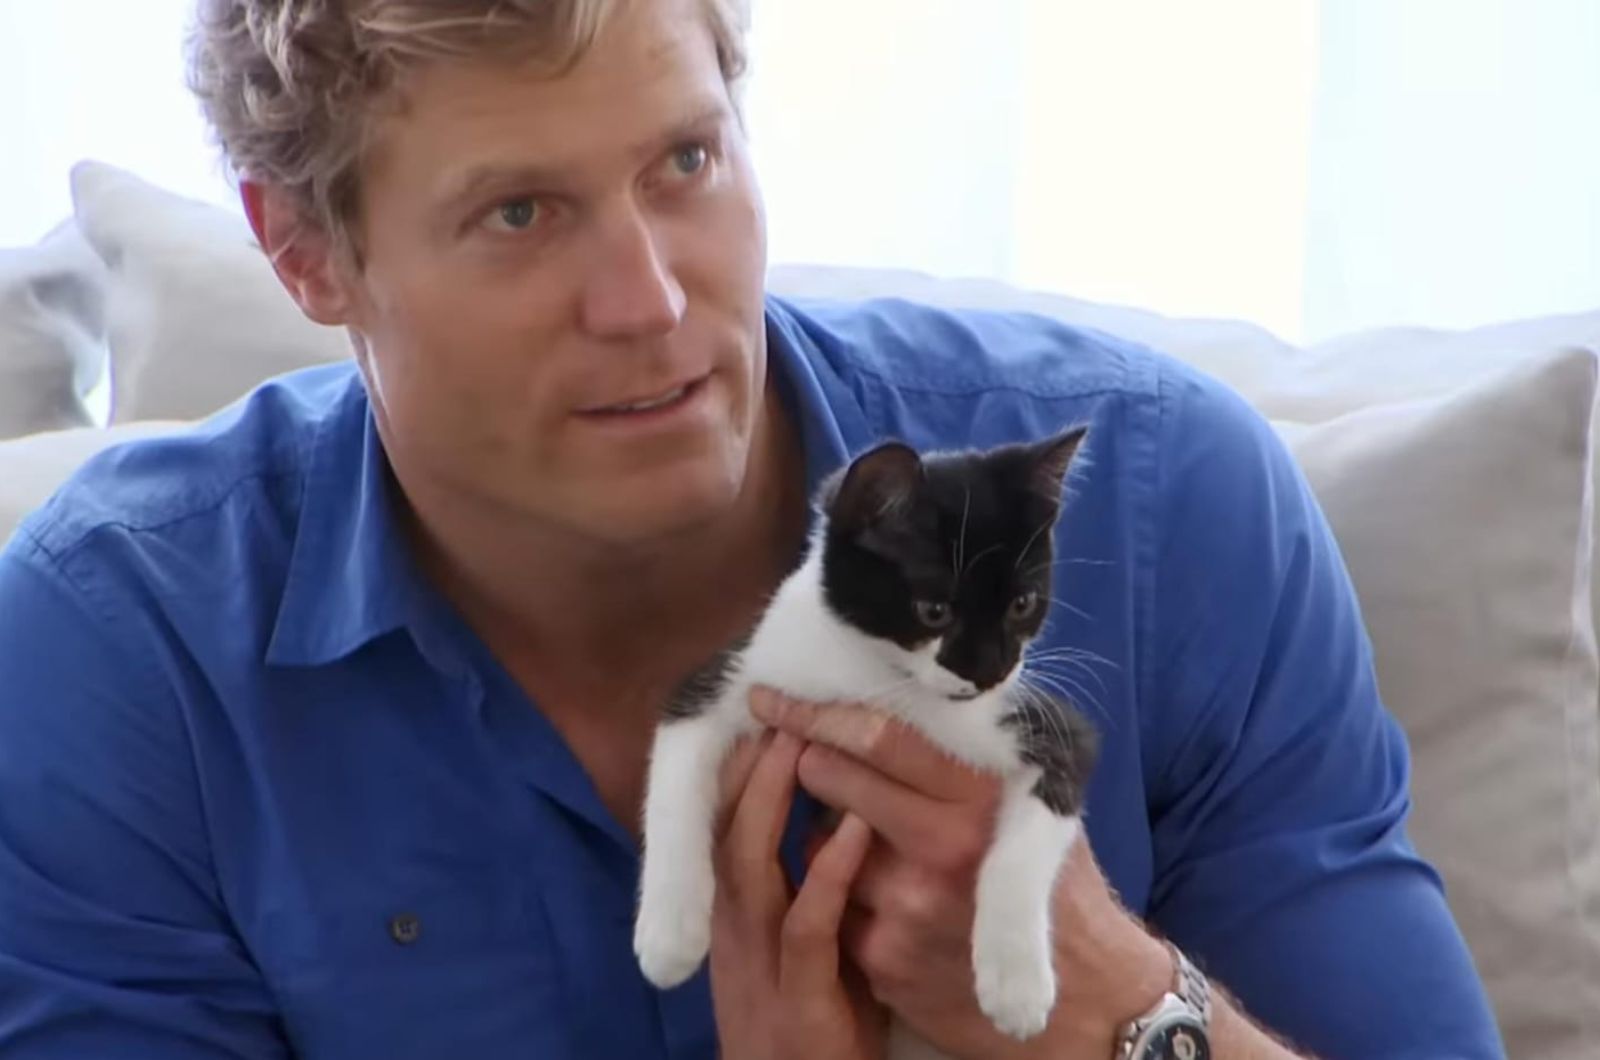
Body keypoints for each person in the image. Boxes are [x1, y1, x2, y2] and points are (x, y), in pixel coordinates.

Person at [0, 1, 1506, 1058]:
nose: (651, 303)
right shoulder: (116, 666)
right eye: (521, 214)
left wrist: (1117, 1011)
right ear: (306, 251)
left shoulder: (1167, 510)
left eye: (685, 163)